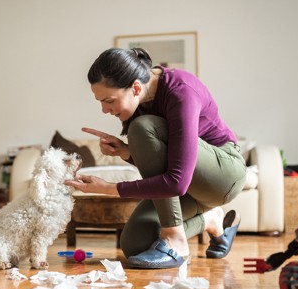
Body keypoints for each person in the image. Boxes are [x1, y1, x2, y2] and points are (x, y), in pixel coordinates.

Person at [64, 47, 247, 269]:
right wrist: (126, 152)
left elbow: (177, 183)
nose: (104, 110)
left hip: (223, 176)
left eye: (109, 100)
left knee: (142, 128)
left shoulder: (181, 91)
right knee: (135, 245)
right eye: (100, 102)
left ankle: (176, 241)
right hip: (189, 186)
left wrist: (108, 188)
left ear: (136, 87)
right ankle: (210, 220)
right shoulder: (140, 104)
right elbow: (163, 164)